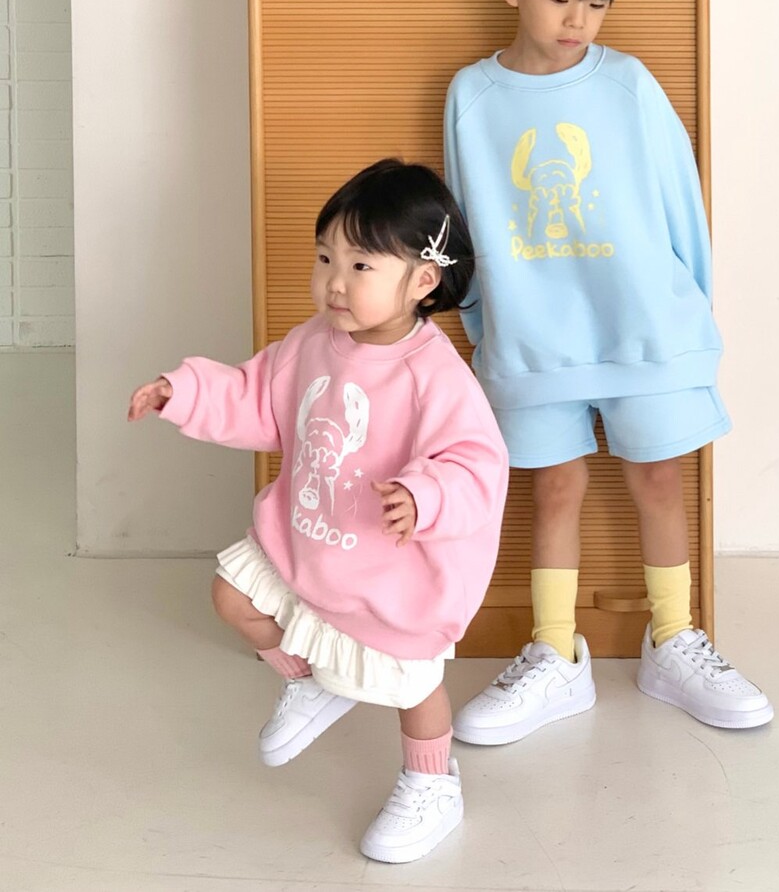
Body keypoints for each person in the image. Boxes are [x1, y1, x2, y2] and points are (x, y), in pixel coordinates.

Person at [443, 0, 772, 746]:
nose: (578, 21)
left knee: (659, 476)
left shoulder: (627, 84)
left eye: (596, 2)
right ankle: (555, 654)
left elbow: (680, 203)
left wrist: (687, 315)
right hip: (532, 340)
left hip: (644, 330)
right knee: (552, 485)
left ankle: (676, 639)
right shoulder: (472, 95)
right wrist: (484, 323)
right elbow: (467, 218)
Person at [127, 159, 509, 863]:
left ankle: (432, 784)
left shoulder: (434, 374)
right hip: (308, 541)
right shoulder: (312, 342)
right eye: (326, 257)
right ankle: (310, 680)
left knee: (413, 685)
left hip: (387, 569)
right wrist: (184, 392)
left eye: (361, 265)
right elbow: (255, 398)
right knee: (231, 597)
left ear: (422, 280)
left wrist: (424, 497)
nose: (335, 280)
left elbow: (477, 464)